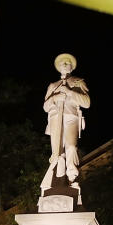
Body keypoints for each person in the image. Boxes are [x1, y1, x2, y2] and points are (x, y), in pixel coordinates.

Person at [43, 53, 90, 183]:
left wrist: (70, 92)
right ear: (59, 67)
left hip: (71, 117)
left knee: (71, 147)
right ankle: (57, 179)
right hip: (55, 119)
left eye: (67, 62)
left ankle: (72, 177)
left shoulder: (78, 82)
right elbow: (45, 107)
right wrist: (54, 98)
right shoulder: (53, 86)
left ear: (71, 67)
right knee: (56, 153)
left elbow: (86, 102)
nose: (64, 64)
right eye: (62, 63)